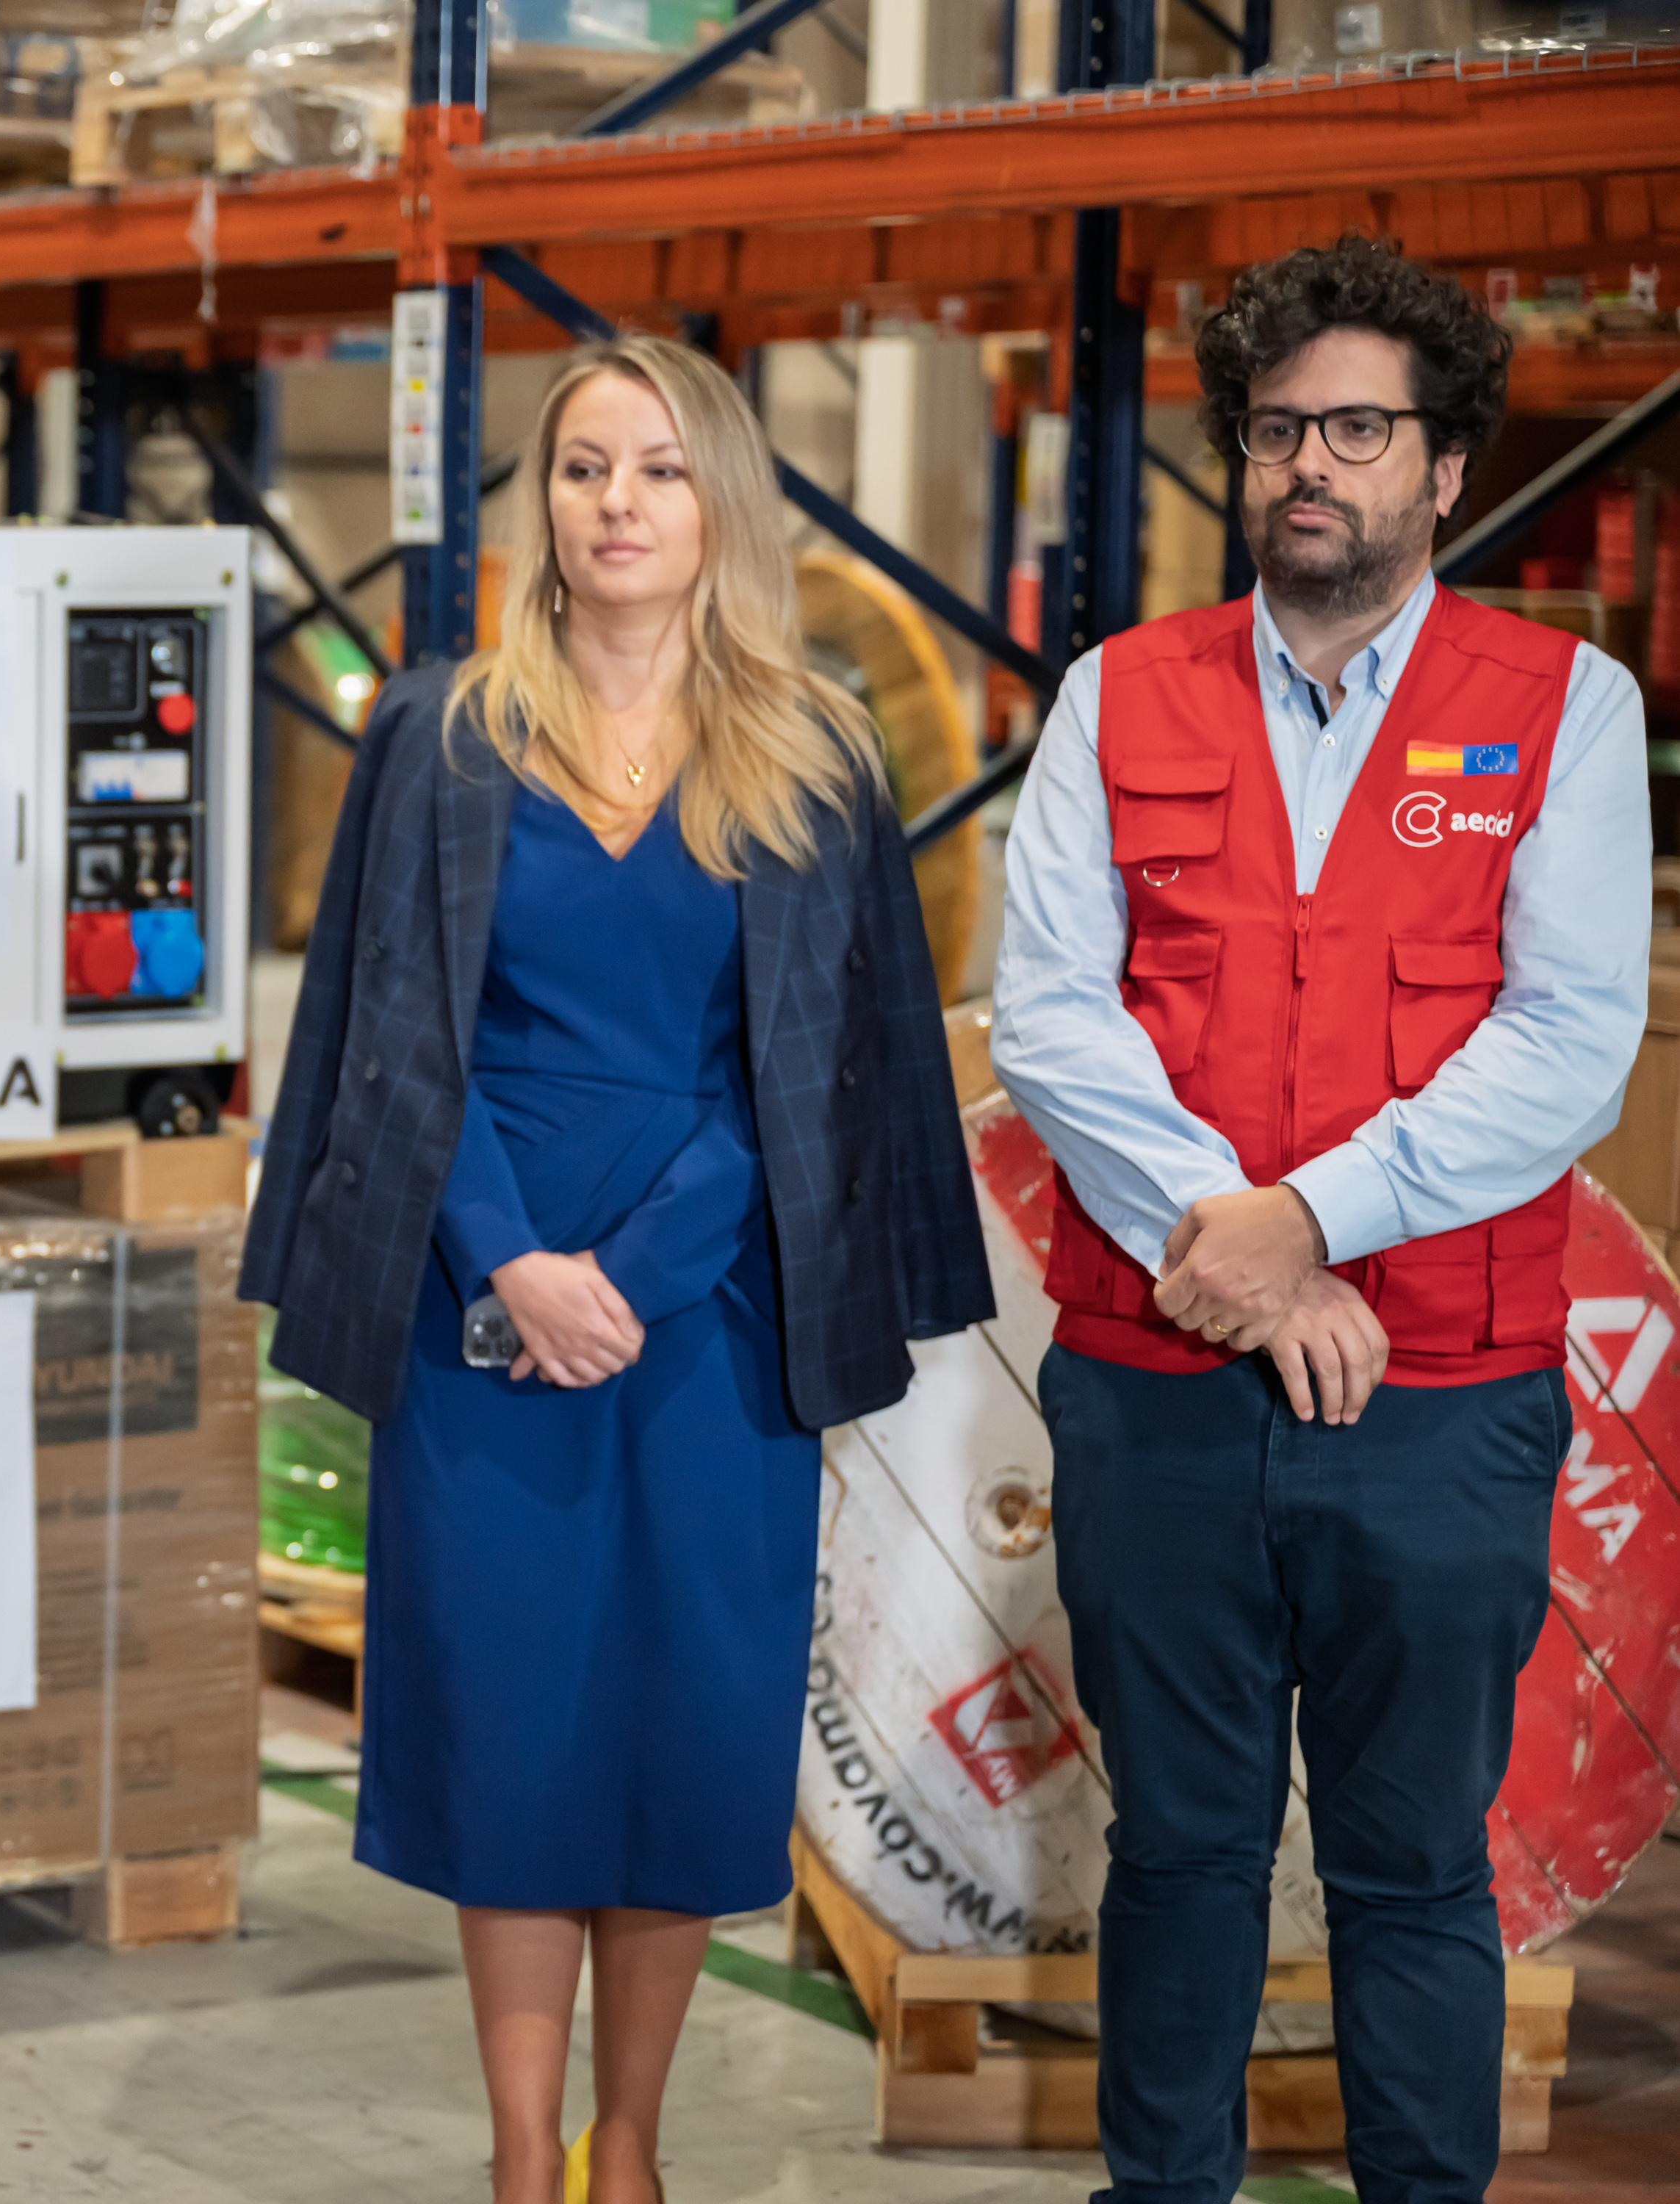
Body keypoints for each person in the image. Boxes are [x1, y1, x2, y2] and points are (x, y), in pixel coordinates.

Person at [245, 332, 994, 2204]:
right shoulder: (441, 734)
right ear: (547, 504)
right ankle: (524, 2153)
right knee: (511, 1732)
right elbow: (393, 1032)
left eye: (658, 469)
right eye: (585, 468)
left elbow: (820, 1067)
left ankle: (632, 2143)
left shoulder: (814, 751)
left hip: (717, 1305)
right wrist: (511, 1256)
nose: (618, 504)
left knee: (679, 1728)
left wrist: (639, 1272)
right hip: (477, 1293)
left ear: (718, 501)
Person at [992, 235, 1648, 2203]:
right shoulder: (1116, 699)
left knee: (1413, 1861)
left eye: (1360, 431)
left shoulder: (1564, 709)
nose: (1311, 466)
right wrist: (1250, 1259)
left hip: (1437, 1399)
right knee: (1180, 1848)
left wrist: (1304, 1217)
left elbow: (1568, 1044)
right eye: (1280, 429)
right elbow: (1050, 1017)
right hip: (1159, 1391)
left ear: (1443, 467)